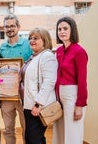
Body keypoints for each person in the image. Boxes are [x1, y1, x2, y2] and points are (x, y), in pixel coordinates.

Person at [53, 16, 88, 144]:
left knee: (73, 133)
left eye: (65, 28)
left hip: (73, 96)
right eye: (59, 29)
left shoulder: (79, 51)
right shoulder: (59, 51)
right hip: (59, 96)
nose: (62, 31)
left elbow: (82, 80)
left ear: (72, 30)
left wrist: (80, 105)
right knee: (60, 132)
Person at [0, 13, 32, 144]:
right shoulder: (2, 47)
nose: (9, 29)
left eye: (12, 26)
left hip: (24, 95)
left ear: (18, 27)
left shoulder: (28, 44)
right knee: (8, 129)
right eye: (7, 27)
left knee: (26, 128)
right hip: (7, 95)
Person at [21, 28, 58, 144]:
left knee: (33, 139)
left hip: (37, 107)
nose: (32, 40)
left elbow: (49, 83)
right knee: (36, 138)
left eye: (35, 38)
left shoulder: (47, 56)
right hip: (29, 105)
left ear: (44, 40)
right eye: (30, 38)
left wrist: (38, 104)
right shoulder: (34, 57)